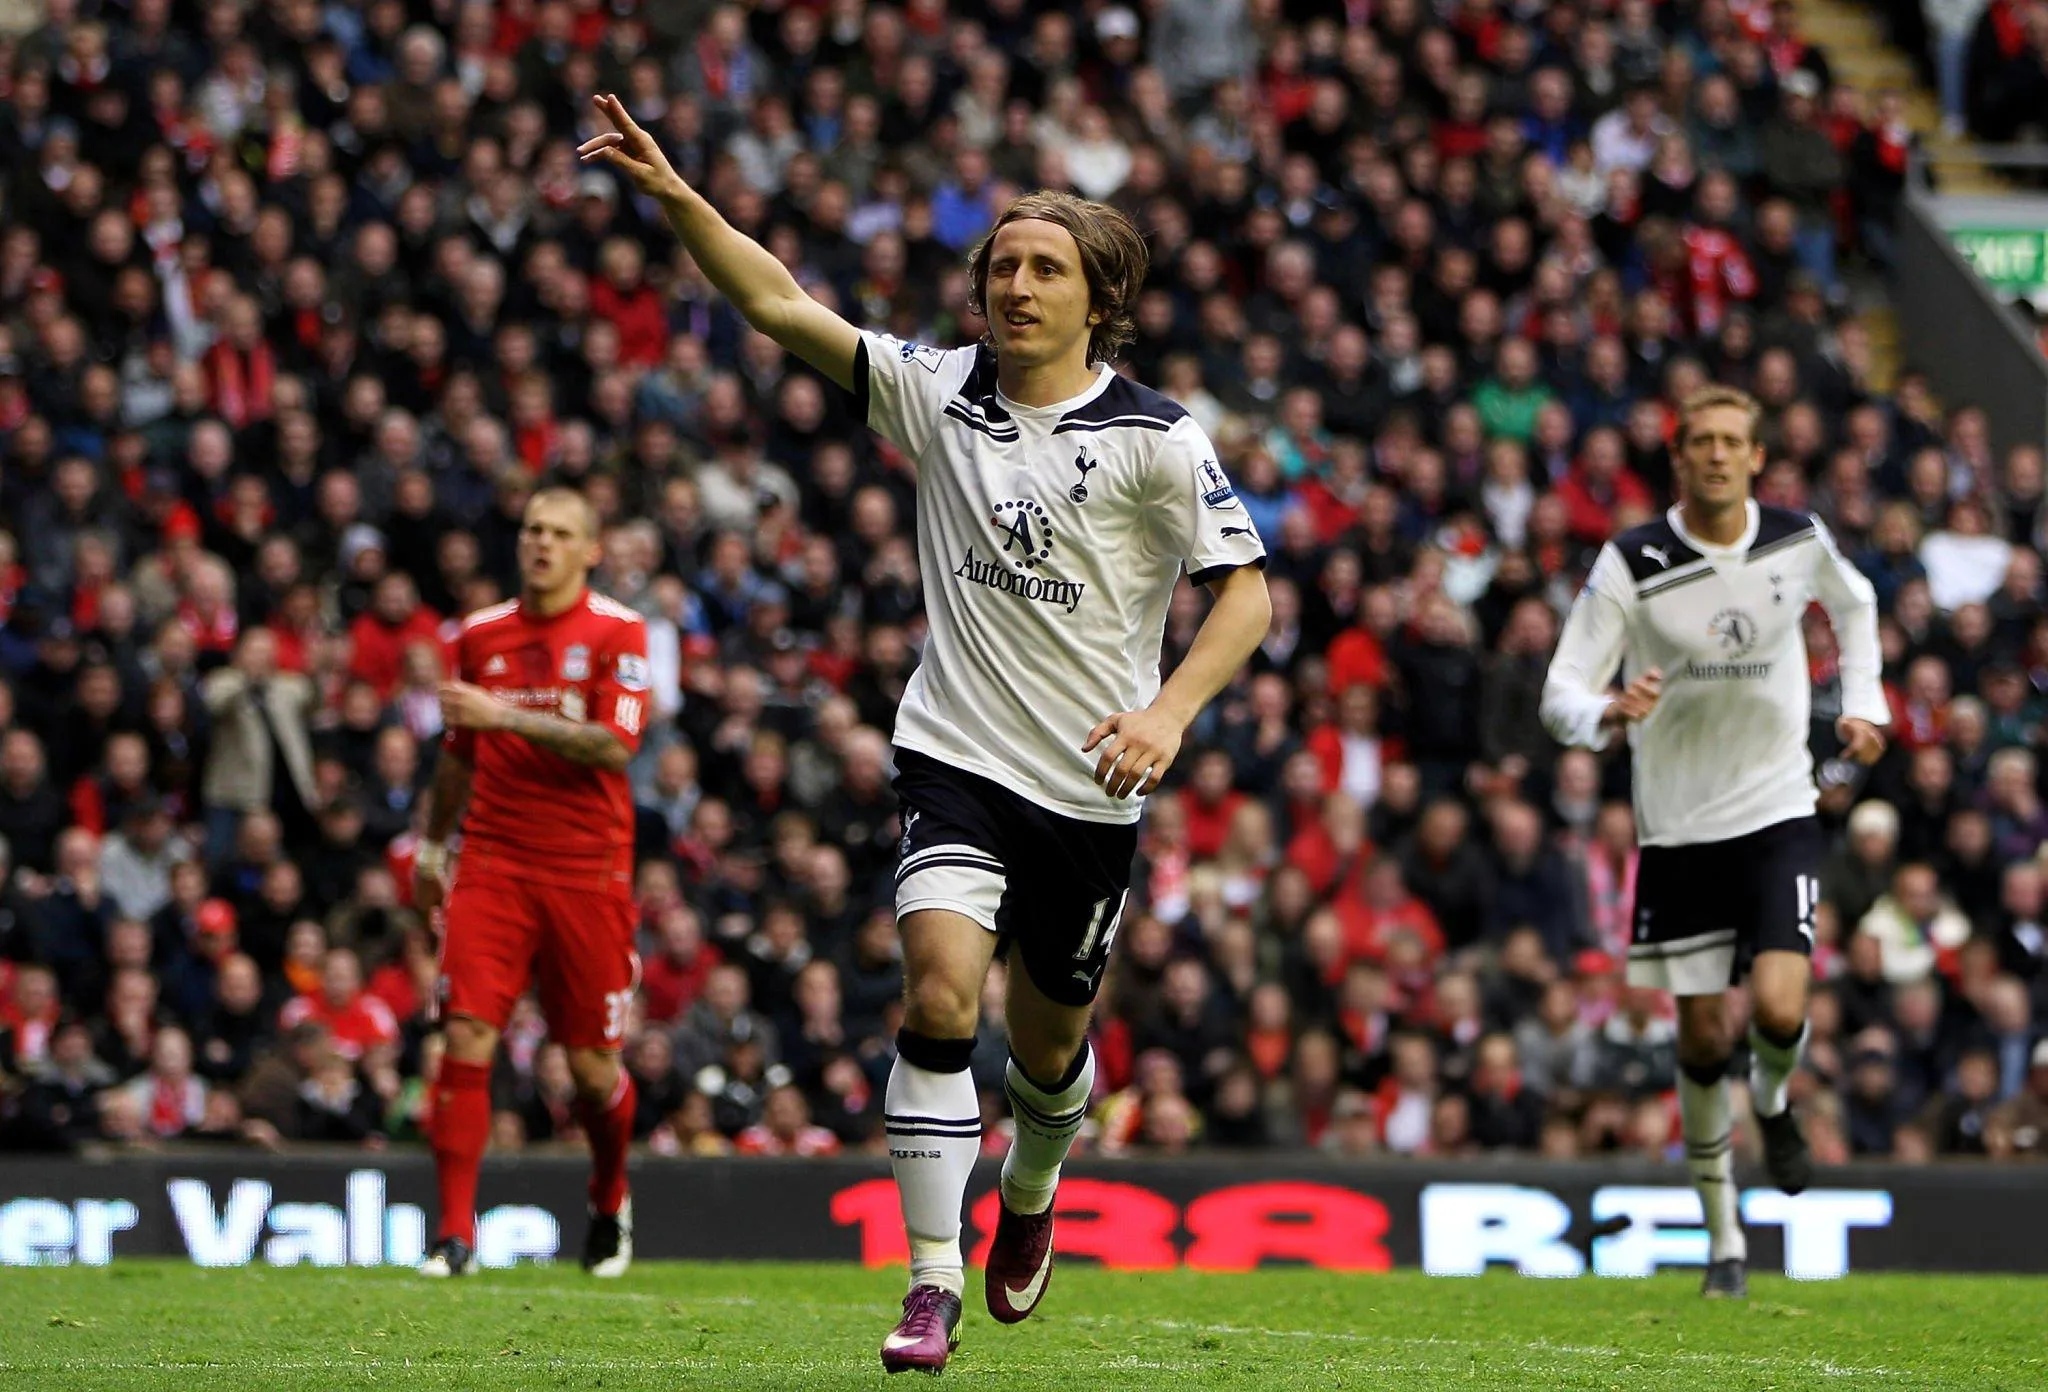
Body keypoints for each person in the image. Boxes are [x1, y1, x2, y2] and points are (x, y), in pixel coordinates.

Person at [581, 94, 1272, 1372]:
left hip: (1088, 788)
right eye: (1000, 264)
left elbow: (1249, 590)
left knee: (1051, 1054)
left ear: (1097, 300)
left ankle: (1028, 1196)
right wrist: (677, 196)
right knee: (940, 991)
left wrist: (1169, 710)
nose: (1013, 286)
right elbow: (784, 307)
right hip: (953, 756)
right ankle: (929, 1282)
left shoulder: (1157, 439)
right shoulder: (935, 391)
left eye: (1043, 269)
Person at [1540, 384, 1888, 1299]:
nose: (1720, 456)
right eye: (1702, 441)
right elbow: (1561, 691)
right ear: (1679, 456)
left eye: (1735, 441)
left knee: (1777, 1011)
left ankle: (1772, 1101)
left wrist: (1863, 705)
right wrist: (1607, 713)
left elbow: (1855, 608)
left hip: (1778, 809)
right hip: (1679, 827)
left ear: (1759, 456)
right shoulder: (1633, 559)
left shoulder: (1796, 537)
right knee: (1698, 1044)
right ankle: (1724, 1237)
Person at [412, 486, 652, 1280]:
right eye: (530, 530)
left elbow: (615, 748)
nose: (540, 543)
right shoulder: (478, 636)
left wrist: (505, 717)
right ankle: (454, 1236)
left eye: (559, 533)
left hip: (589, 870)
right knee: (467, 1034)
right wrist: (432, 846)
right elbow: (456, 751)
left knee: (589, 1068)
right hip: (493, 862)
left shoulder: (620, 630)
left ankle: (610, 1197)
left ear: (591, 550)